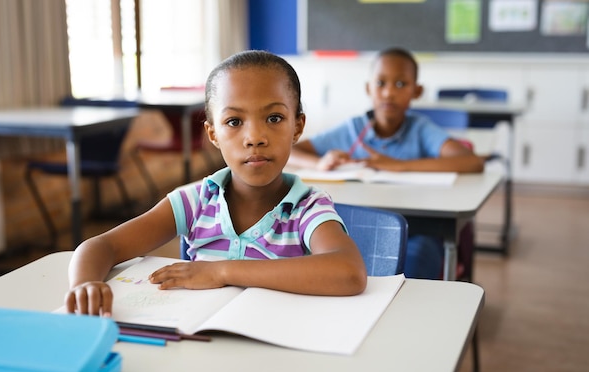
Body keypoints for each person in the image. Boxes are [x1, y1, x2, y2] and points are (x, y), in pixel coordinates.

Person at [65, 50, 367, 316]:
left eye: (274, 118)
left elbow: (349, 272)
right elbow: (101, 245)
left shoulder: (307, 207)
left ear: (297, 126)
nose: (254, 137)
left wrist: (222, 271)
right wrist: (85, 284)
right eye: (234, 122)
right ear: (213, 135)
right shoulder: (194, 202)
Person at [289, 47, 484, 279]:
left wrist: (398, 165)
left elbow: (471, 162)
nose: (389, 93)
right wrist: (319, 162)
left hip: (416, 230)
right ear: (368, 88)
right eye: (381, 83)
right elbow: (290, 149)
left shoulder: (420, 129)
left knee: (420, 257)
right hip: (355, 228)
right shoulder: (354, 129)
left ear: (417, 91)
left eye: (401, 85)